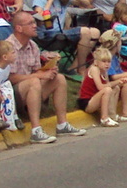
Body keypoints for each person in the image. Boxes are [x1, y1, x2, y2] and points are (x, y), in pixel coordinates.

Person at [6, 11, 85, 143]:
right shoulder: (9, 46)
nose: (35, 25)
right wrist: (38, 75)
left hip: (32, 89)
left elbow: (37, 70)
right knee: (34, 81)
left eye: (34, 22)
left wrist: (49, 69)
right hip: (13, 95)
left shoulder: (33, 46)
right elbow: (10, 78)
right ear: (19, 28)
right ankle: (36, 130)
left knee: (59, 78)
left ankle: (62, 124)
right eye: (30, 23)